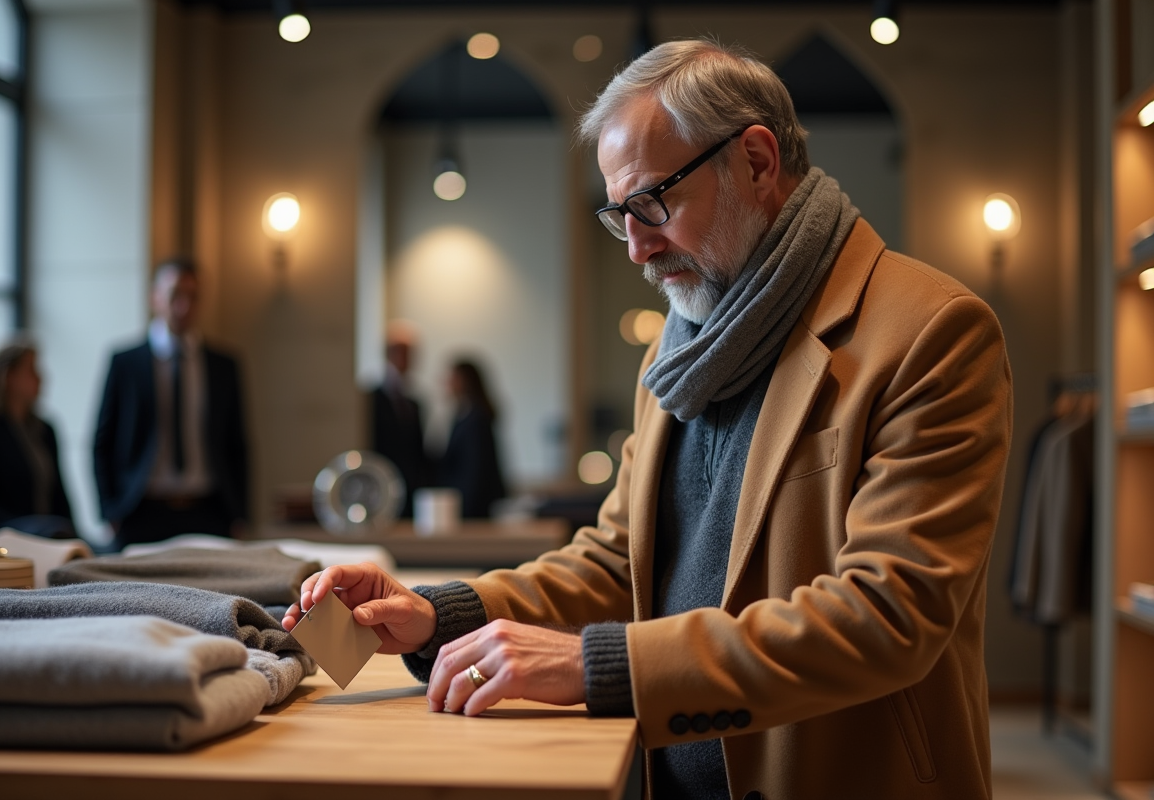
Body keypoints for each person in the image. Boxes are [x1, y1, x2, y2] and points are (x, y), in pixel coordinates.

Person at [284, 39, 1012, 800]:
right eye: (618, 214)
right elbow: (619, 562)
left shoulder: (930, 332)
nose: (636, 248)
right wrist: (439, 614)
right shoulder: (680, 346)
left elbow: (888, 617)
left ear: (756, 161)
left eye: (652, 203)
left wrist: (600, 666)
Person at [93, 258, 249, 547]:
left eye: (193, 296)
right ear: (155, 297)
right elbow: (103, 442)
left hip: (209, 512)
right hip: (141, 512)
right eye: (176, 294)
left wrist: (240, 514)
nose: (184, 306)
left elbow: (237, 443)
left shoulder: (223, 365)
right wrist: (109, 511)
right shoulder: (126, 363)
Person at [0, 337, 76, 538]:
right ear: (8, 376)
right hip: (6, 539)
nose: (41, 378)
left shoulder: (44, 430)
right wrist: (38, 529)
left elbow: (60, 496)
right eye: (32, 370)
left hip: (50, 535)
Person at [370, 323, 430, 518]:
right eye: (402, 352)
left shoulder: (414, 403)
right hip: (381, 490)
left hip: (412, 492)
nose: (407, 359)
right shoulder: (371, 399)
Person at [437, 359, 507, 518]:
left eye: (452, 378)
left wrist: (464, 510)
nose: (448, 383)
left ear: (464, 381)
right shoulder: (463, 416)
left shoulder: (475, 419)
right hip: (469, 502)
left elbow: (474, 471)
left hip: (474, 507)